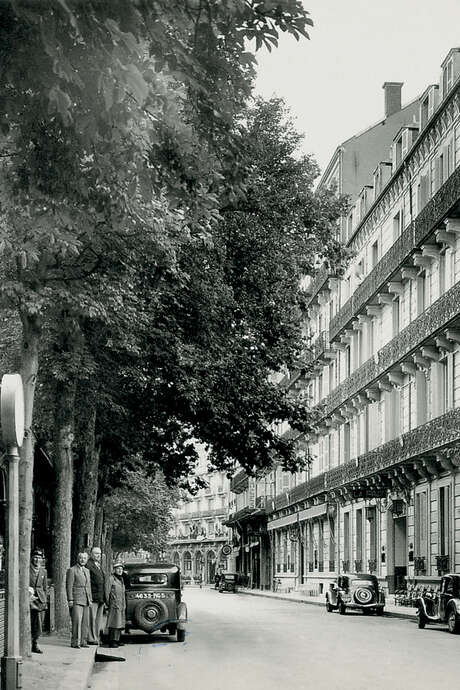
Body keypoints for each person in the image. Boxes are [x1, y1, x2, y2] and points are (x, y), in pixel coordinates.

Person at [66, 552, 92, 649]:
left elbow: (88, 586)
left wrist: (90, 599)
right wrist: (70, 599)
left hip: (86, 599)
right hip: (76, 599)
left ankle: (83, 641)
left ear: (87, 560)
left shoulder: (87, 571)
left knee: (85, 622)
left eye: (84, 558)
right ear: (78, 559)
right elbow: (69, 586)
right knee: (77, 621)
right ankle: (75, 642)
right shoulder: (72, 570)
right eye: (81, 558)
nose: (82, 560)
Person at [86, 546, 106, 645]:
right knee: (92, 618)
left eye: (99, 554)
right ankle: (91, 638)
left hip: (100, 597)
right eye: (96, 553)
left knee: (98, 619)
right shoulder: (88, 565)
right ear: (91, 554)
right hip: (93, 597)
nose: (98, 555)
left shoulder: (98, 565)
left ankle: (96, 637)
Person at [29, 548, 48, 654]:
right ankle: (30, 643)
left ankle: (35, 642)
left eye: (39, 558)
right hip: (30, 599)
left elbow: (44, 587)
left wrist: (44, 599)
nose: (37, 560)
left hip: (40, 600)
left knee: (39, 623)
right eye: (35, 557)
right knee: (31, 621)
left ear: (42, 559)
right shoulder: (27, 568)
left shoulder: (43, 571)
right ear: (32, 558)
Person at [106, 561, 126, 648]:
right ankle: (112, 641)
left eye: (121, 569)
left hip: (120, 604)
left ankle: (117, 640)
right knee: (113, 623)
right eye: (118, 569)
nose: (120, 570)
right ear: (114, 570)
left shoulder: (121, 579)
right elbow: (107, 592)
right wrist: (108, 603)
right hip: (114, 604)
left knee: (119, 623)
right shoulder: (111, 579)